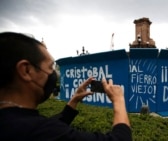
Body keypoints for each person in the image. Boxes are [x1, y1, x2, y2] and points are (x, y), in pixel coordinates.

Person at [0, 32, 132, 141]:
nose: (53, 73)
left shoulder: (12, 122)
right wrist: (118, 100)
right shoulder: (37, 131)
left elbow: (53, 125)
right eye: (50, 67)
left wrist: (73, 101)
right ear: (26, 70)